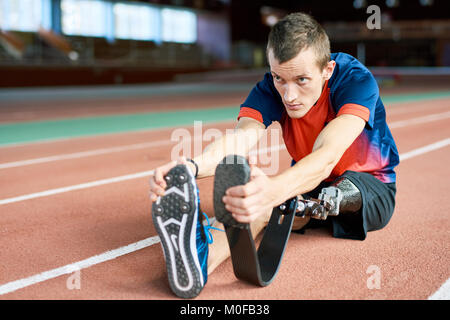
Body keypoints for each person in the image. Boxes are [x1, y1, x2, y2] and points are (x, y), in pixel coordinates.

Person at [149, 12, 399, 299]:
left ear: (327, 70)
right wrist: (190, 167)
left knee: (309, 193)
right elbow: (240, 139)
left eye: (302, 80)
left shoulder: (355, 81)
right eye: (279, 78)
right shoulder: (271, 87)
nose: (288, 95)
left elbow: (328, 155)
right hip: (307, 184)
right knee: (252, 202)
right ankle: (198, 260)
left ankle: (297, 205)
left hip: (370, 188)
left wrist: (275, 191)